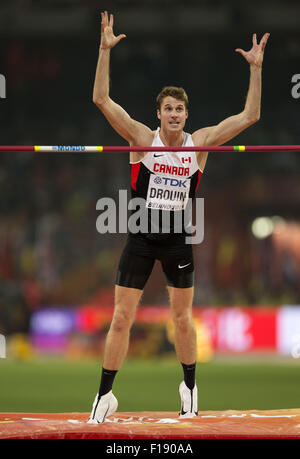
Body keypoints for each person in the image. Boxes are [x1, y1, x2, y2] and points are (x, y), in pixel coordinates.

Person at [88, 10, 269, 423]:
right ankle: (104, 395)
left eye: (180, 110)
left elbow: (249, 117)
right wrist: (104, 50)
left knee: (182, 320)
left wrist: (256, 70)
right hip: (139, 234)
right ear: (158, 113)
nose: (174, 115)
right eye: (168, 108)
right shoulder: (139, 137)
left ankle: (189, 387)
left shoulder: (199, 143)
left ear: (187, 115)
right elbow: (101, 99)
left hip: (175, 238)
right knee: (121, 318)